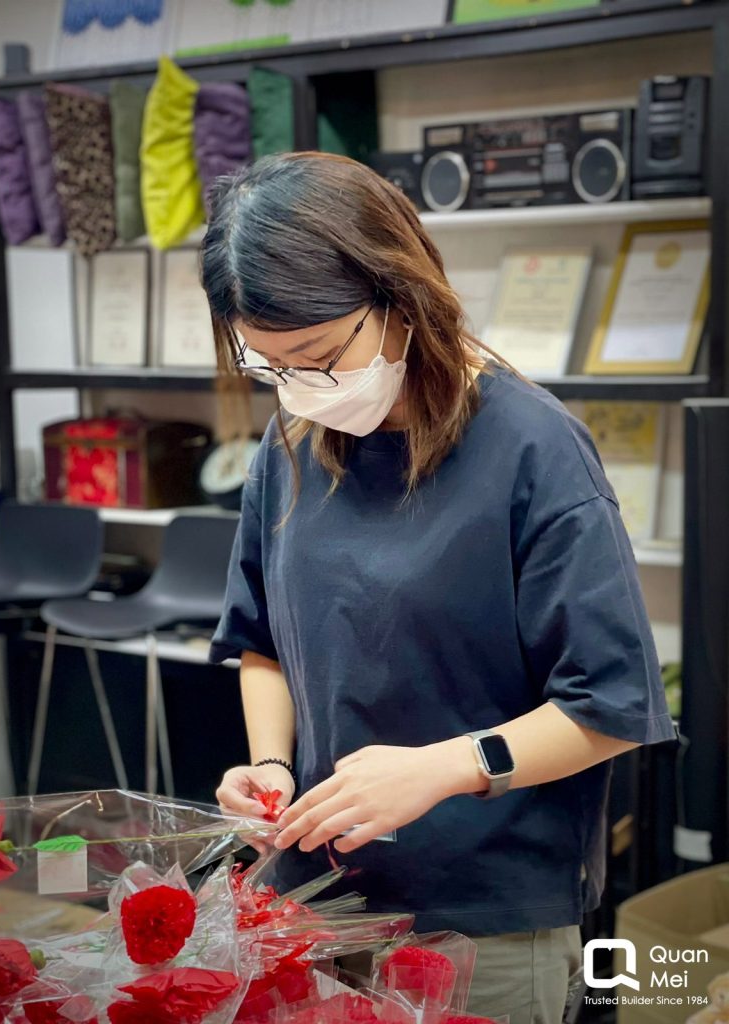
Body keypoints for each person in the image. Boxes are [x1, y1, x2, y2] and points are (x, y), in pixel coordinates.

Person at [200, 151, 677, 1024]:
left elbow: (611, 707)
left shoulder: (535, 451)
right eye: (271, 368)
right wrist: (269, 766)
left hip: (481, 919)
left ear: (399, 292)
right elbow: (261, 640)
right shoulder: (294, 441)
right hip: (319, 896)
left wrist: (450, 768)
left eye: (315, 354)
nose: (300, 389)